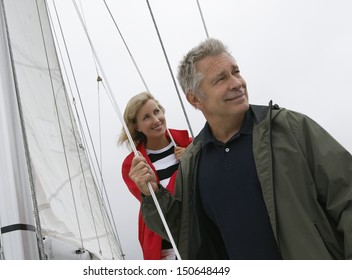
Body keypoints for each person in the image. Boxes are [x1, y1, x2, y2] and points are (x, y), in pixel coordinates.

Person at [129, 38, 352, 259]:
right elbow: (187, 234)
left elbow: (346, 196)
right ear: (195, 99)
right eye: (221, 79)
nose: (236, 83)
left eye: (236, 72)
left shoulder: (292, 129)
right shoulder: (192, 162)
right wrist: (153, 194)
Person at [119, 91, 191, 260]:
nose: (156, 119)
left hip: (198, 236)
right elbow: (150, 203)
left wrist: (192, 158)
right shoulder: (133, 164)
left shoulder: (191, 145)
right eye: (146, 117)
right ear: (137, 126)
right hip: (163, 246)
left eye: (157, 111)